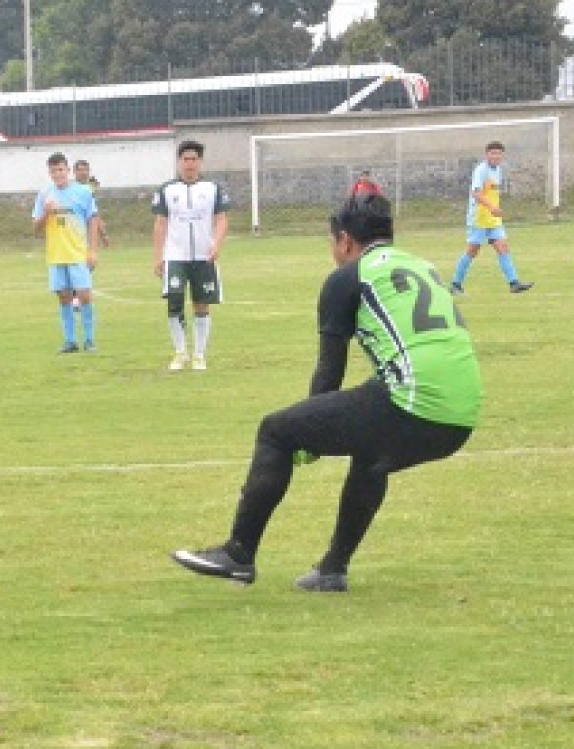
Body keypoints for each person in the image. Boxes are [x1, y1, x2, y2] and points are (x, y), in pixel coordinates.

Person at [170, 194, 479, 592]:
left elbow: (329, 371)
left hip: (415, 401)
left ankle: (238, 553)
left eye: (333, 244)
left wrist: (306, 439)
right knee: (372, 454)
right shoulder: (421, 265)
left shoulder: (348, 277)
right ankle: (332, 570)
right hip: (461, 415)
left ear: (346, 241)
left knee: (276, 430)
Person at [152, 140, 230, 371]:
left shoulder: (212, 189)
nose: (189, 164)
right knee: (174, 302)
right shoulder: (167, 190)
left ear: (200, 162)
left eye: (193, 159)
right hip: (175, 255)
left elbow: (222, 218)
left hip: (203, 257)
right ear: (179, 162)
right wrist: (157, 256)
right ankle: (180, 352)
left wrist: (216, 243)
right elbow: (160, 223)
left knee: (202, 304)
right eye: (185, 159)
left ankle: (198, 354)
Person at [33, 153, 99, 353]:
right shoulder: (44, 195)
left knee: (84, 295)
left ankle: (89, 340)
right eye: (54, 171)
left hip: (78, 253)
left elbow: (93, 220)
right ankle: (70, 341)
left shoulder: (83, 192)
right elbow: (36, 230)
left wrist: (93, 250)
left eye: (61, 169)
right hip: (56, 255)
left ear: (67, 170)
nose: (58, 174)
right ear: (49, 173)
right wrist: (46, 213)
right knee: (63, 297)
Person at [452, 141, 534, 294]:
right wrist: (491, 207)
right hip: (479, 218)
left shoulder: (498, 170)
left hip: (493, 219)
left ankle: (514, 283)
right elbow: (475, 193)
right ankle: (456, 284)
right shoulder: (481, 170)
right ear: (487, 155)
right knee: (472, 251)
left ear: (502, 155)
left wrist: (494, 210)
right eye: (492, 153)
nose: (496, 156)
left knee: (503, 247)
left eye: (498, 153)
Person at [72, 159, 111, 250]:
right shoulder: (70, 189)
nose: (84, 173)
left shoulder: (89, 189)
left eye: (86, 170)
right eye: (80, 170)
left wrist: (103, 234)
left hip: (88, 229)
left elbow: (94, 213)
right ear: (74, 172)